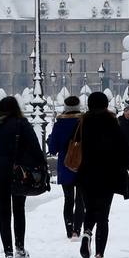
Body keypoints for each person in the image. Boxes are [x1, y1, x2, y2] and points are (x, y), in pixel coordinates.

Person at [74, 91, 129, 258]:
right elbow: (124, 151)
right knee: (103, 215)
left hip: (86, 174)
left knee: (90, 209)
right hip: (108, 175)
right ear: (105, 104)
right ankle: (99, 254)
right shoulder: (112, 123)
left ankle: (87, 233)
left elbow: (74, 144)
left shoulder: (83, 122)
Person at [0, 95, 44, 258]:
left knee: (3, 214)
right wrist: (40, 165)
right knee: (19, 210)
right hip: (18, 173)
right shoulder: (21, 124)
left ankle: (7, 251)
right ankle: (20, 248)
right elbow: (35, 148)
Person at [47, 96, 85, 240]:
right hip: (82, 164)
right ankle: (77, 229)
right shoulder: (84, 122)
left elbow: (53, 149)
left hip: (66, 164)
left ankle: (69, 229)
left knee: (68, 199)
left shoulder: (59, 124)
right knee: (80, 199)